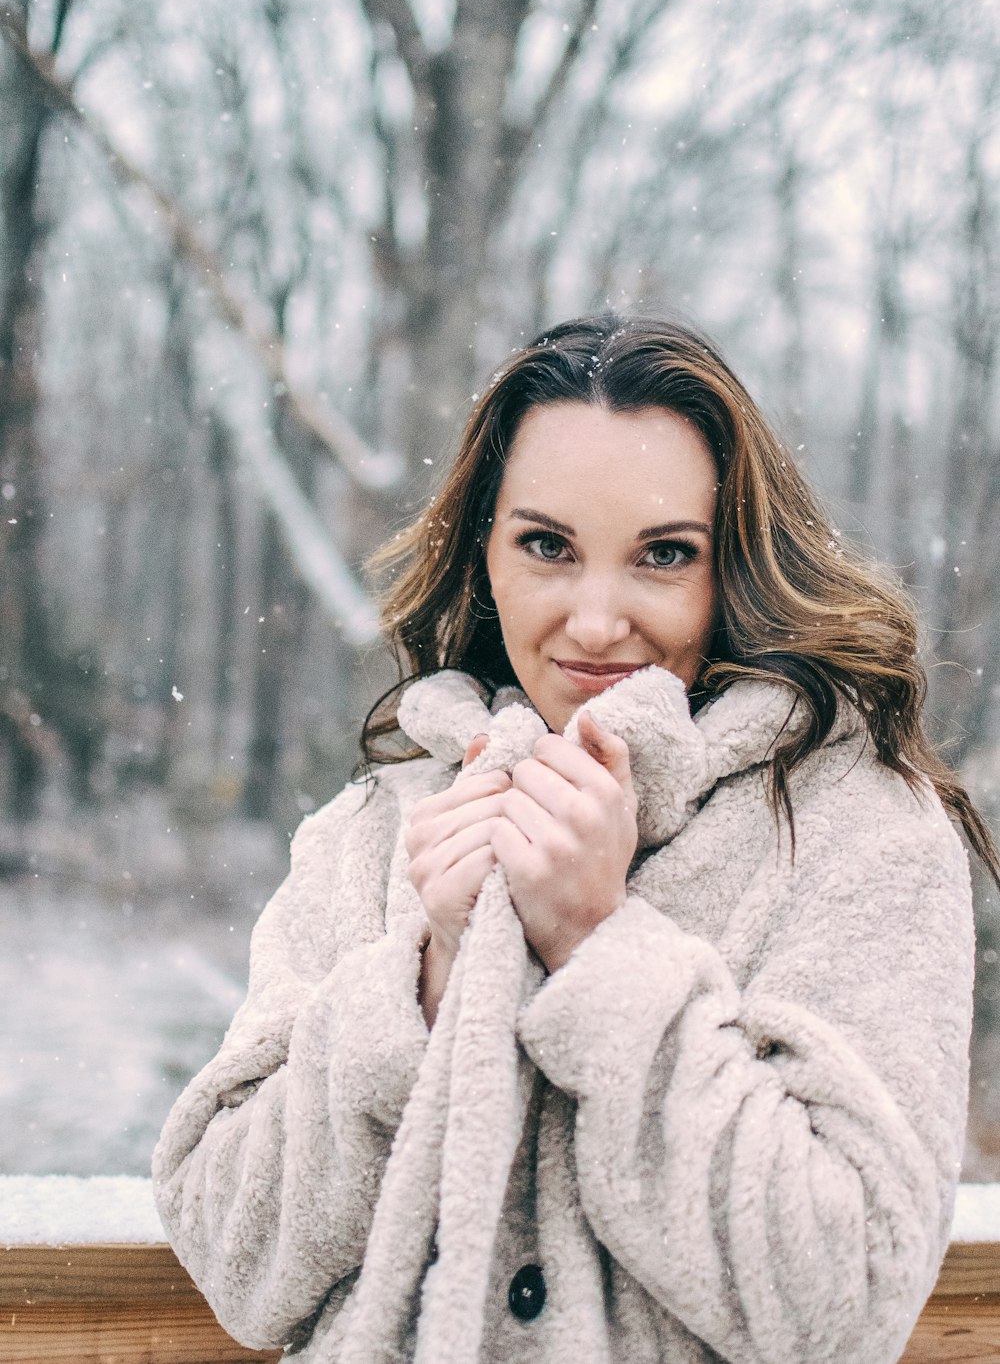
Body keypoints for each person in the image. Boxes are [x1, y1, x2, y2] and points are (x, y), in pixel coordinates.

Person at [153, 314, 996, 1364]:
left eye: (663, 555)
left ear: (730, 569)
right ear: (485, 556)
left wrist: (599, 947)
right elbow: (236, 1258)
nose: (596, 623)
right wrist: (429, 974)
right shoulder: (374, 830)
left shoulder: (856, 833)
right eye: (547, 545)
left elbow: (845, 1298)